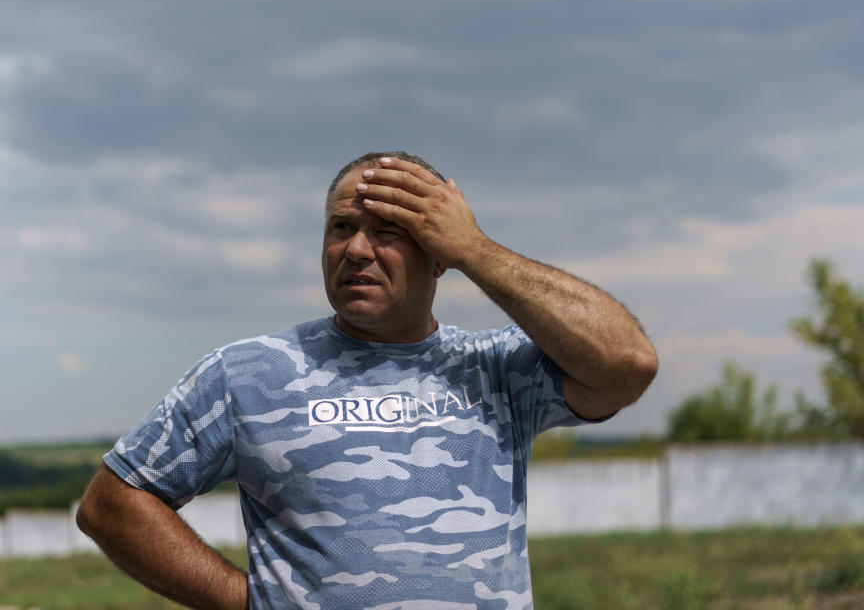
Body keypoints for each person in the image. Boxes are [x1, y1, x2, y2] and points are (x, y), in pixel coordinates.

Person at [77, 151, 658, 609]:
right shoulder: (247, 372)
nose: (355, 248)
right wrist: (247, 602)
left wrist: (473, 247)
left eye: (388, 230)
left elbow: (626, 364)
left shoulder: (495, 368)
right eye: (341, 227)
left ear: (437, 254)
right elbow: (113, 503)